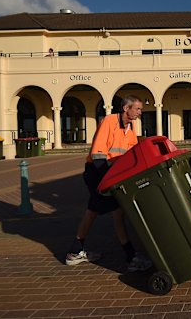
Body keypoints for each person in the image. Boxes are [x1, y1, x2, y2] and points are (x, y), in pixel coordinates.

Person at [65, 94, 152, 272]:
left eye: (140, 109)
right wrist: (109, 181)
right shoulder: (109, 121)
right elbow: (98, 155)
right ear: (126, 108)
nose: (140, 112)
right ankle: (130, 258)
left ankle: (75, 252)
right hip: (98, 172)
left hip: (110, 174)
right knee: (115, 212)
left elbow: (130, 155)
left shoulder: (131, 127)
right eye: (137, 108)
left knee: (96, 212)